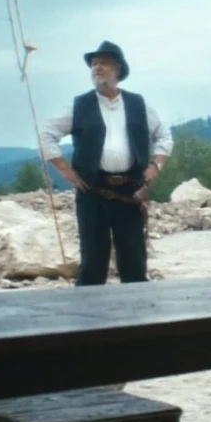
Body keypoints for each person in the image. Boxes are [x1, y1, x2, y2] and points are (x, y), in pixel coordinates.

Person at [39, 41, 173, 286]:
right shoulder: (79, 106)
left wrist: (156, 165)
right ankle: (89, 310)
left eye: (104, 63)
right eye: (94, 63)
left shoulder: (138, 104)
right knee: (93, 262)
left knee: (134, 262)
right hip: (92, 191)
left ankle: (138, 310)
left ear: (117, 70)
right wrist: (66, 170)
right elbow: (46, 134)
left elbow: (164, 135)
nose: (97, 68)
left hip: (130, 192)